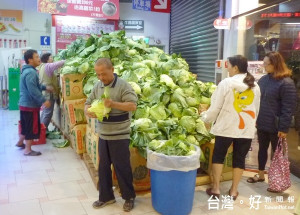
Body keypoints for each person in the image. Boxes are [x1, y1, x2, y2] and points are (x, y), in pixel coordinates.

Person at [201, 55, 261, 200]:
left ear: (235, 67)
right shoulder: (255, 85)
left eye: (228, 65)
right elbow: (256, 109)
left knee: (219, 156)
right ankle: (233, 191)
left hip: (226, 127)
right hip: (246, 128)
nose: (226, 68)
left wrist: (205, 117)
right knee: (239, 159)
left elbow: (216, 107)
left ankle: (215, 189)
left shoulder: (226, 83)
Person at [84, 58, 137, 212]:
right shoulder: (97, 85)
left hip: (120, 135)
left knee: (122, 167)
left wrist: (113, 104)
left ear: (112, 70)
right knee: (103, 167)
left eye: (104, 74)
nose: (101, 78)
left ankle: (129, 197)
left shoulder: (123, 85)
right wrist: (89, 111)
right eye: (98, 74)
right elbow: (88, 102)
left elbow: (132, 105)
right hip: (104, 134)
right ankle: (106, 197)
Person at [247, 51, 297, 190]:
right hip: (262, 122)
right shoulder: (264, 79)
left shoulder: (286, 82)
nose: (263, 66)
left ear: (274, 64)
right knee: (262, 149)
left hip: (277, 126)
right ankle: (261, 174)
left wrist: (284, 128)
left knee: (277, 154)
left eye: (266, 64)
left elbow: (288, 107)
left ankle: (277, 181)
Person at [17, 49, 52, 156]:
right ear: (30, 60)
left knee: (25, 125)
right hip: (30, 105)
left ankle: (20, 142)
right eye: (36, 57)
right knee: (31, 127)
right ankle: (28, 150)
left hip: (24, 104)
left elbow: (34, 86)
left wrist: (45, 87)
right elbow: (33, 90)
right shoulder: (31, 72)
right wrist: (43, 100)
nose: (39, 59)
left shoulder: (27, 71)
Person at [38, 53, 65, 130]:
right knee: (48, 113)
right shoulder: (48, 66)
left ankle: (40, 129)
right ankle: (42, 131)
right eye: (50, 57)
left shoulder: (41, 66)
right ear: (46, 59)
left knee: (45, 111)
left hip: (44, 93)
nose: (52, 59)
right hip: (49, 93)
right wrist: (67, 60)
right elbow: (59, 63)